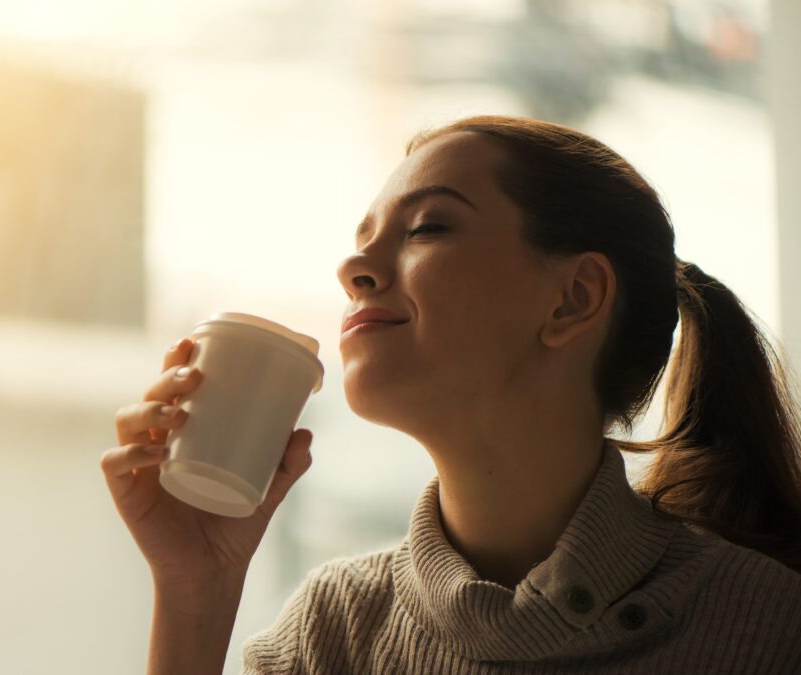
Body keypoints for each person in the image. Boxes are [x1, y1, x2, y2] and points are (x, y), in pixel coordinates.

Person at [100, 116, 801, 674]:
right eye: (362, 239)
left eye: (428, 226)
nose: (351, 267)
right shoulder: (333, 632)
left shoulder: (770, 630)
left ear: (574, 298)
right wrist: (195, 591)